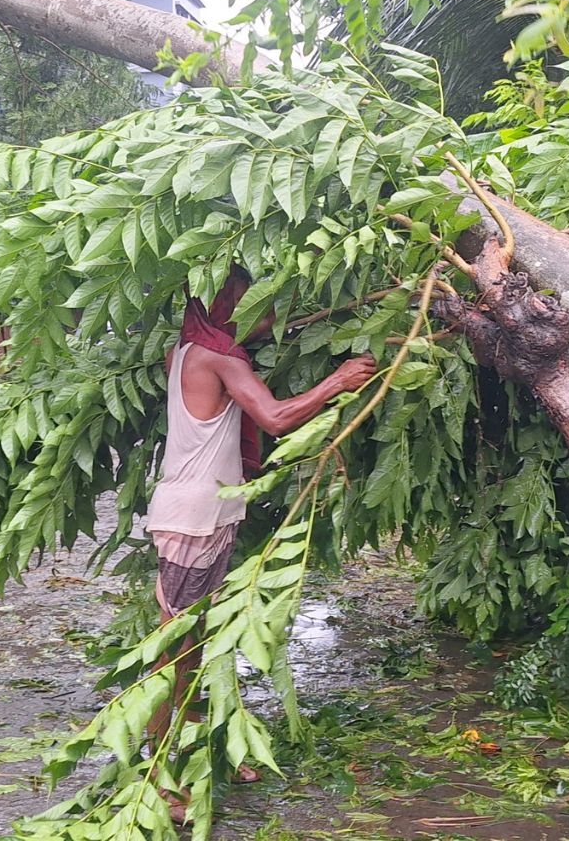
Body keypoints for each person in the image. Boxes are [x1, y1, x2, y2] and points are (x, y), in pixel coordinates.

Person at [141, 265, 375, 810]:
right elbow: (272, 417)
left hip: (202, 513)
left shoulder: (184, 351)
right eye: (260, 308)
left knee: (194, 640)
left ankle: (204, 750)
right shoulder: (221, 358)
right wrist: (337, 381)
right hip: (194, 518)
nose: (270, 321)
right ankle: (158, 775)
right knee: (172, 648)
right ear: (229, 307)